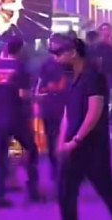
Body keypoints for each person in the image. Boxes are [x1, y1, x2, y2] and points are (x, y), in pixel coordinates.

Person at [55, 38, 112, 220]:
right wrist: (62, 140)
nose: (57, 59)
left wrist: (76, 140)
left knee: (107, 191)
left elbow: (94, 112)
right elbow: (67, 112)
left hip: (93, 147)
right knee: (65, 193)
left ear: (73, 53)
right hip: (72, 147)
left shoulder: (94, 77)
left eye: (59, 54)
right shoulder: (73, 78)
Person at [0, 37, 42, 207]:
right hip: (16, 117)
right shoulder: (21, 68)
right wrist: (37, 98)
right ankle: (33, 191)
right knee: (31, 151)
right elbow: (23, 95)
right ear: (20, 49)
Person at [36, 34, 71, 180]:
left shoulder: (68, 63)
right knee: (51, 138)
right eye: (52, 43)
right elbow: (40, 82)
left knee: (64, 137)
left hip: (64, 105)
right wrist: (37, 98)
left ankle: (66, 168)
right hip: (49, 105)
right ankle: (55, 168)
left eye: (57, 43)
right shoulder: (46, 64)